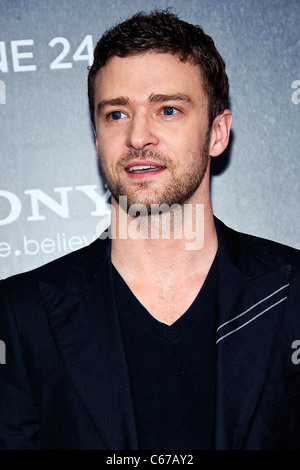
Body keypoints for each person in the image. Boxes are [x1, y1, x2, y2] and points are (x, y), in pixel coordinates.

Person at [0, 9, 300, 451]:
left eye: (168, 109)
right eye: (117, 114)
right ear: (97, 138)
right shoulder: (22, 316)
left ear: (218, 132)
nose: (139, 135)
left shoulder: (293, 292)